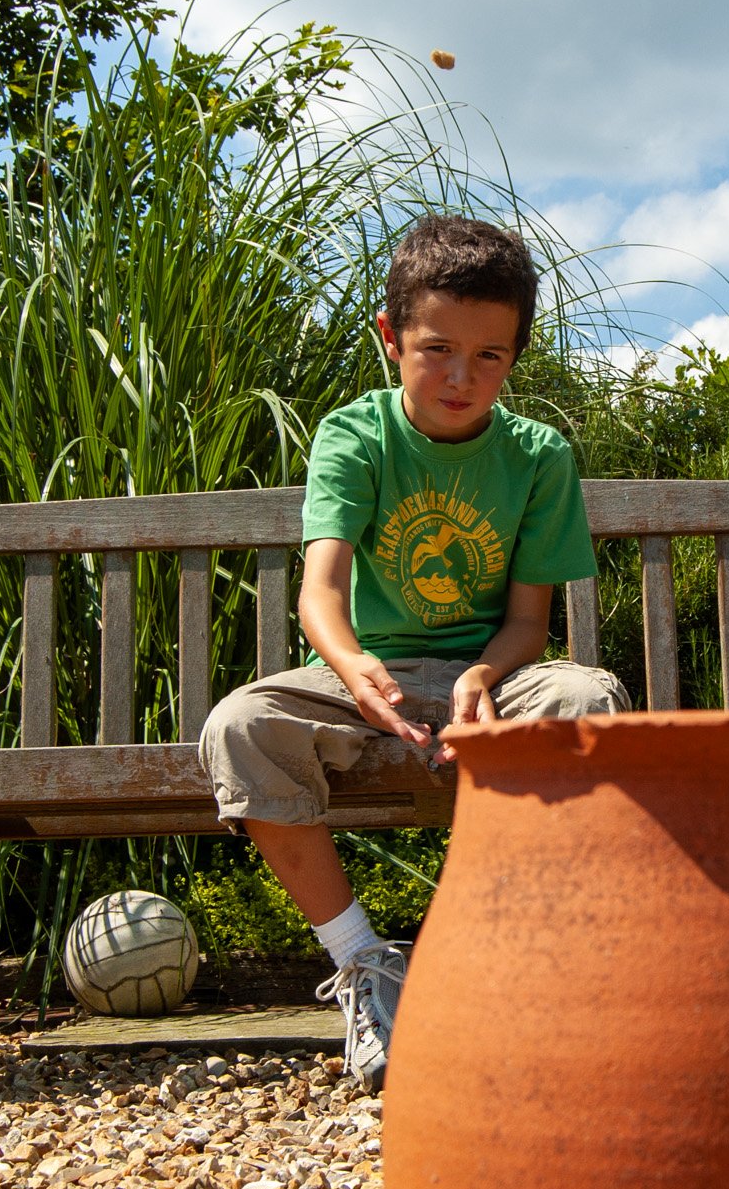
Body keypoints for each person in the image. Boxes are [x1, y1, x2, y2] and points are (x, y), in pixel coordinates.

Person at [199, 214, 629, 1088]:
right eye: (438, 350)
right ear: (391, 338)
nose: (463, 378)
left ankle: (508, 963)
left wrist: (482, 674)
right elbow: (322, 592)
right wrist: (352, 667)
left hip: (491, 684)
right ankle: (364, 963)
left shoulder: (539, 455)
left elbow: (527, 624)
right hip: (366, 675)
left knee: (588, 700)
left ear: (517, 354)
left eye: (491, 357)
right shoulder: (354, 436)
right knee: (240, 725)